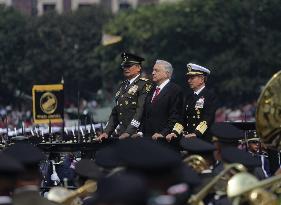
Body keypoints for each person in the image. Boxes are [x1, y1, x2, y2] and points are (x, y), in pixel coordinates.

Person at [98, 52, 152, 140]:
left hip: (137, 133)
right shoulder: (122, 86)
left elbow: (140, 110)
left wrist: (129, 132)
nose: (125, 69)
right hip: (123, 134)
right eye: (124, 66)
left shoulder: (144, 84)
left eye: (129, 66)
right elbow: (116, 112)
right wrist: (106, 132)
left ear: (138, 68)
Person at [141, 60, 183, 144]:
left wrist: (163, 133)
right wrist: (140, 132)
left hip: (164, 140)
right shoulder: (151, 91)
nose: (153, 73)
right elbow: (146, 115)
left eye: (156, 70)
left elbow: (176, 116)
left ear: (167, 73)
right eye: (153, 70)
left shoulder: (175, 90)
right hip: (147, 139)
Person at [180, 63, 218, 142]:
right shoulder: (188, 97)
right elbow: (183, 117)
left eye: (192, 78)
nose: (189, 80)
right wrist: (177, 132)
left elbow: (207, 118)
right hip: (187, 137)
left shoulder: (209, 96)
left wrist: (196, 133)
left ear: (201, 79)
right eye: (189, 78)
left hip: (202, 139)